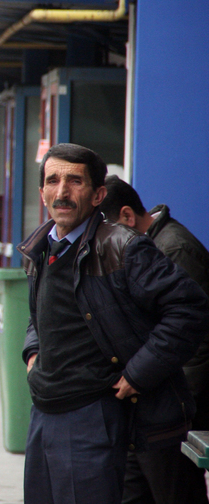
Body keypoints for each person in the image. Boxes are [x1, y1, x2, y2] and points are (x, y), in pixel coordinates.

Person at [18, 143, 209, 504]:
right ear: (41, 191)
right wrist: (33, 353)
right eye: (53, 180)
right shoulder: (43, 247)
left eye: (75, 181)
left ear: (97, 194)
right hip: (44, 408)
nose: (62, 192)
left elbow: (190, 308)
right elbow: (42, 312)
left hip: (92, 414)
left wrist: (139, 373)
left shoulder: (124, 247)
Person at [100, 175, 209, 504]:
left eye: (107, 233)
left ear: (127, 217)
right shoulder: (149, 249)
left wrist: (175, 408)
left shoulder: (174, 249)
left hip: (170, 413)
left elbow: (196, 342)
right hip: (145, 407)